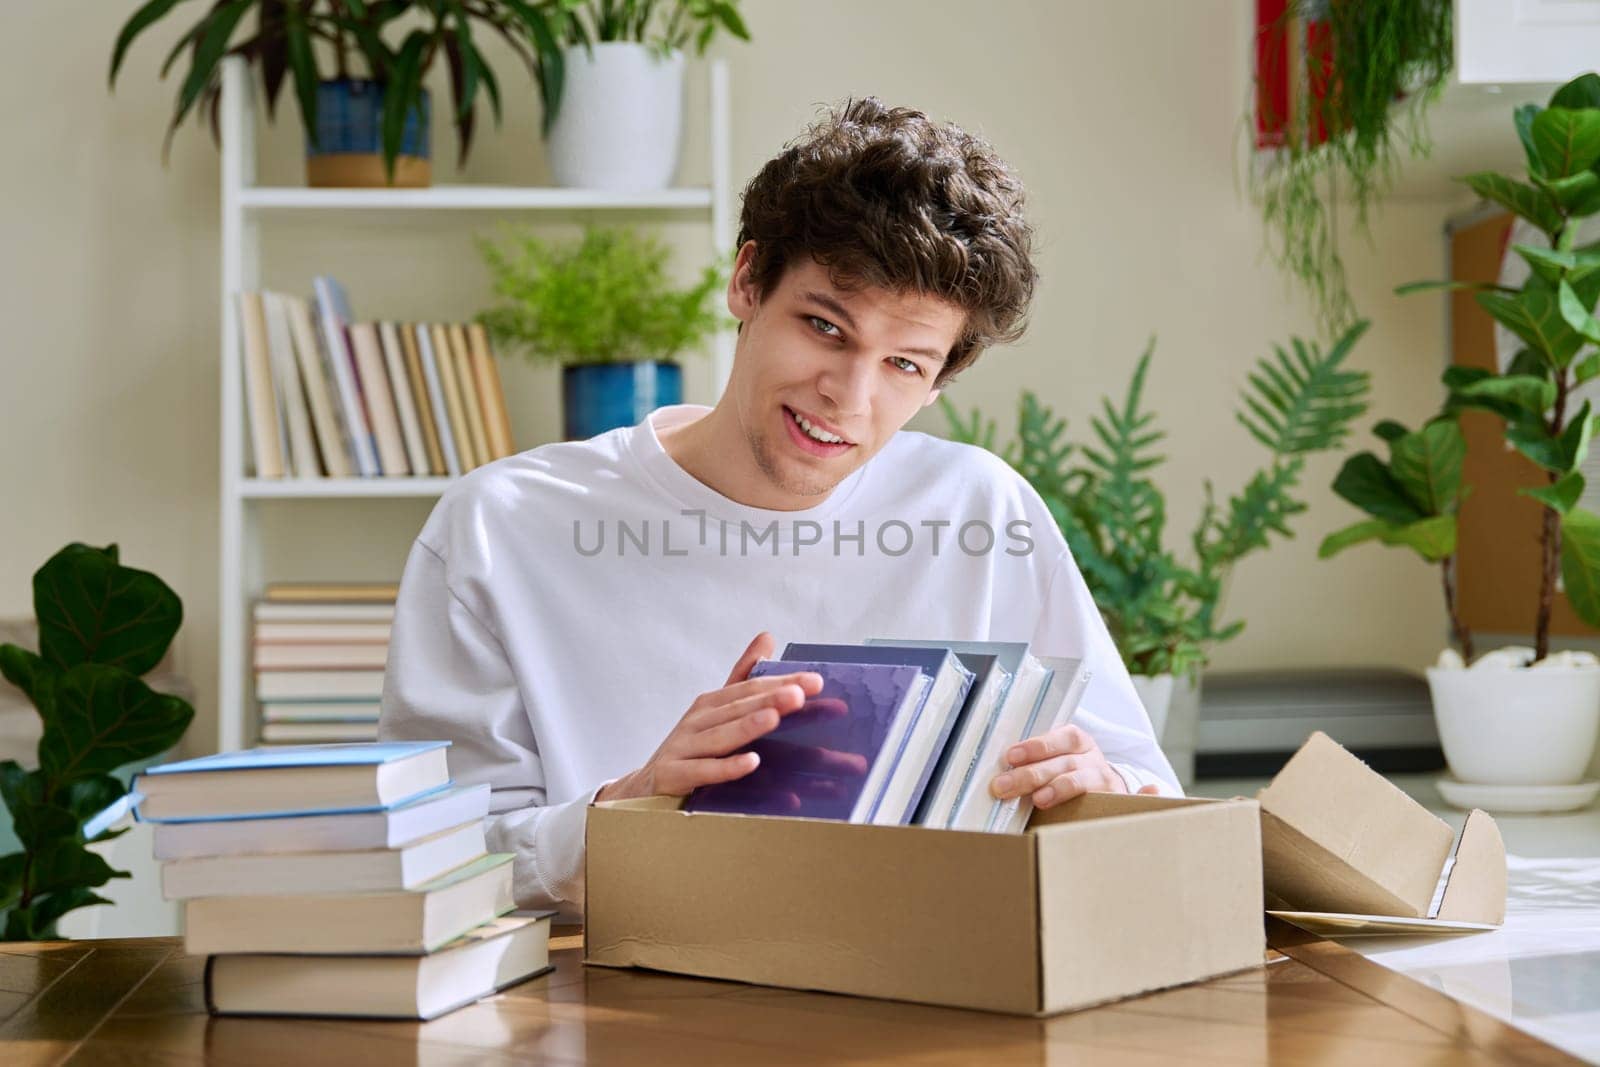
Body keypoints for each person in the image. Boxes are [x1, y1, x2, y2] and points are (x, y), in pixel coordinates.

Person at [379, 97, 1178, 919]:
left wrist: (1098, 786)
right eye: (826, 327)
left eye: (905, 363)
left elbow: (1151, 795)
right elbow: (432, 860)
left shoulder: (984, 512)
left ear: (939, 380)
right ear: (748, 281)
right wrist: (634, 805)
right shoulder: (499, 528)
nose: (848, 396)